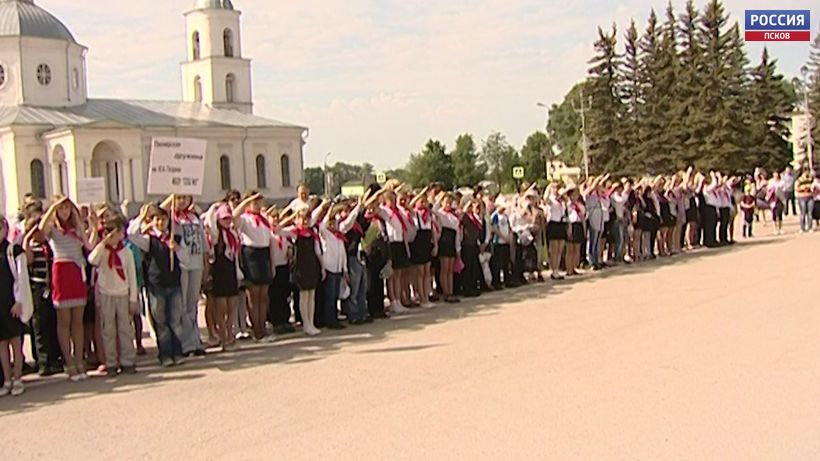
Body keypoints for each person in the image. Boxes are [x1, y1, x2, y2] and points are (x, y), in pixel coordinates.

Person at [128, 206, 188, 367]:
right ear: (153, 222)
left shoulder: (175, 238)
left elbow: (185, 259)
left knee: (175, 320)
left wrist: (177, 249)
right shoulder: (150, 240)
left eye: (163, 219)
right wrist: (141, 217)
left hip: (174, 283)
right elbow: (131, 235)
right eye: (157, 219)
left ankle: (178, 352)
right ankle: (165, 354)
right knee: (160, 321)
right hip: (156, 284)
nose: (161, 222)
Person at [40, 197, 90, 381]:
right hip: (61, 271)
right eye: (61, 208)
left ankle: (79, 361)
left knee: (78, 321)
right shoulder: (53, 229)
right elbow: (40, 230)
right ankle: (68, 362)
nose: (65, 211)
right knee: (64, 321)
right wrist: (51, 209)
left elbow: (89, 246)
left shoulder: (76, 229)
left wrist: (86, 224)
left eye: (67, 208)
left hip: (77, 271)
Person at [88, 216, 139, 375]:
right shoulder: (102, 250)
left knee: (125, 328)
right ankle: (111, 362)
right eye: (115, 233)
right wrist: (103, 244)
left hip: (123, 293)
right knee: (108, 329)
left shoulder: (126, 251)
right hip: (106, 293)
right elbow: (92, 260)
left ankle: (127, 360)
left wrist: (133, 299)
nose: (119, 236)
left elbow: (132, 276)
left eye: (120, 233)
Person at [166, 195, 208, 356]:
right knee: (182, 305)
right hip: (182, 264)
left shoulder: (194, 217)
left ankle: (194, 340)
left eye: (185, 198)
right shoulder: (172, 218)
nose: (182, 201)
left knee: (193, 304)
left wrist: (206, 262)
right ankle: (185, 343)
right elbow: (159, 210)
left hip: (196, 263)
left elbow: (203, 241)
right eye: (179, 198)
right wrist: (171, 199)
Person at [22, 216, 62, 376]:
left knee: (53, 323)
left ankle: (56, 358)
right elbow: (28, 260)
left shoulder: (50, 246)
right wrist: (28, 237)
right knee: (40, 325)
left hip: (52, 287)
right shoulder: (31, 246)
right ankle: (43, 361)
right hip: (38, 287)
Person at [233, 192, 275, 342]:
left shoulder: (263, 219)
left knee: (263, 296)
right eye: (254, 203)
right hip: (251, 255)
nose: (258, 205)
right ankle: (257, 331)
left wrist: (272, 263)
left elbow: (269, 242)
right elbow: (234, 216)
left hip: (263, 254)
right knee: (254, 295)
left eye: (259, 202)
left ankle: (262, 328)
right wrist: (246, 201)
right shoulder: (245, 219)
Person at [0, 215, 33, 396]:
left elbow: (21, 276)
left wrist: (19, 301)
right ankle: (7, 379)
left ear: (5, 229)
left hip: (12, 303)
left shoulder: (13, 250)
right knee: (2, 345)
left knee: (16, 343)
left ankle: (18, 378)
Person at [208, 205, 241, 351]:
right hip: (219, 271)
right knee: (221, 309)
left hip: (231, 271)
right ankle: (223, 338)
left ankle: (230, 335)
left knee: (231, 308)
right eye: (224, 218)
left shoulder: (233, 233)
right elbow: (209, 221)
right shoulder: (216, 234)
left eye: (228, 218)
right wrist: (213, 208)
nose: (227, 221)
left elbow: (236, 255)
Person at [490, 196, 514, 287]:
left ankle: (507, 279)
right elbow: (495, 228)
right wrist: (503, 237)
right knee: (497, 263)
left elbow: (509, 227)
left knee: (506, 262)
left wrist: (509, 237)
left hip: (506, 241)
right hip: (498, 242)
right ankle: (496, 281)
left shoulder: (505, 216)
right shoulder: (495, 215)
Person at [795, 168, 814, 233]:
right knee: (803, 213)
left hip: (810, 197)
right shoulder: (799, 180)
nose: (807, 173)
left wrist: (811, 189)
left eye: (808, 171)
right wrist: (802, 188)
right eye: (805, 171)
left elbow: (813, 186)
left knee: (810, 213)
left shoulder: (811, 179)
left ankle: (810, 227)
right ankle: (802, 228)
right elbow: (796, 188)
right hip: (802, 197)